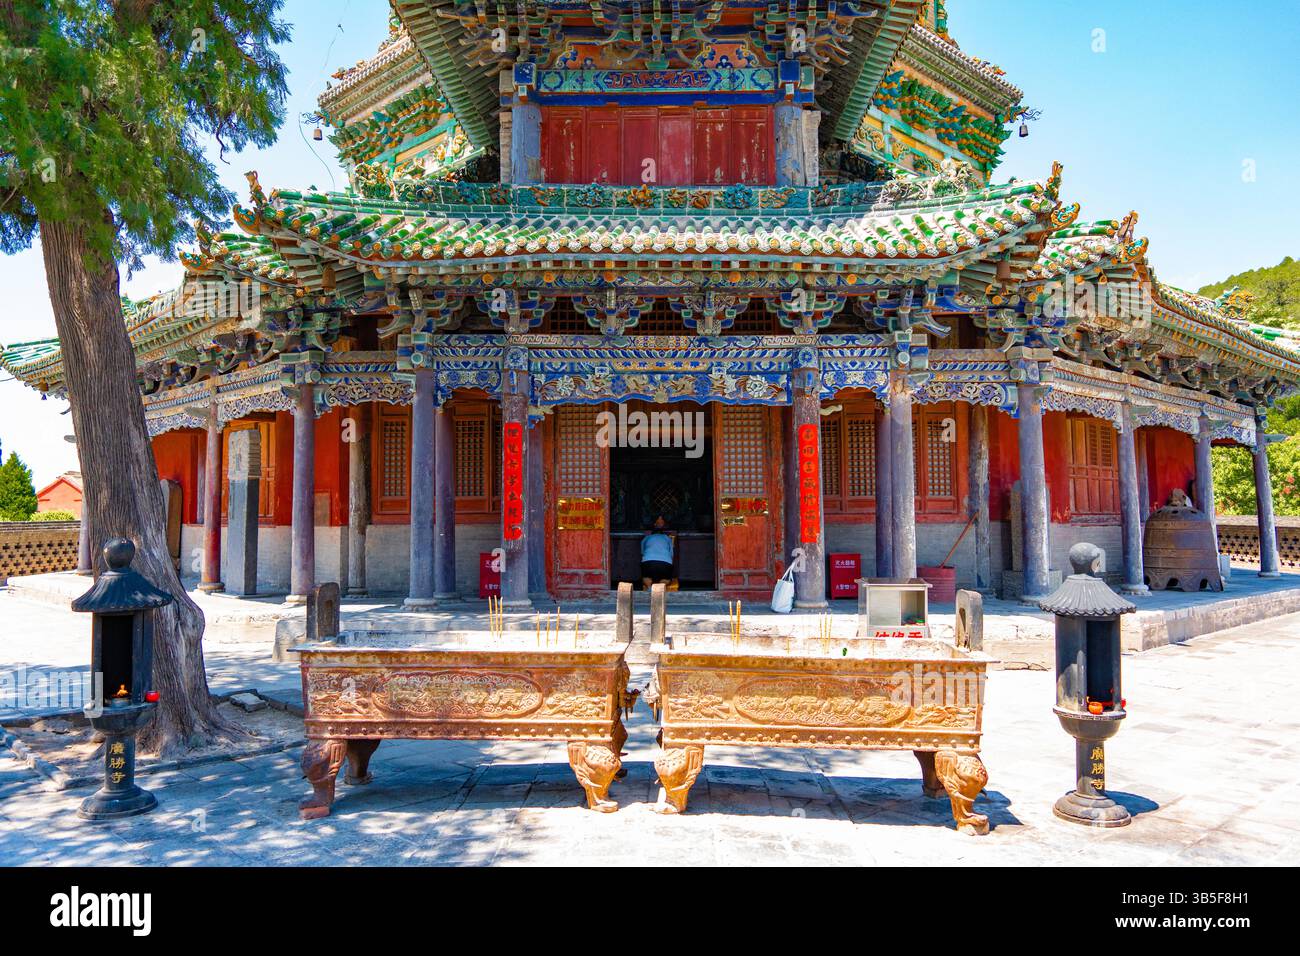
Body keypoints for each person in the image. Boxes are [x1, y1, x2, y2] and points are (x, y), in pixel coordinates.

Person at [640, 516, 674, 585]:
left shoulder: (646, 538)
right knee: (666, 579)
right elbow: (671, 555)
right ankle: (661, 587)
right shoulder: (667, 538)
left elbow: (642, 553)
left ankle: (649, 588)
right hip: (665, 563)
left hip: (648, 562)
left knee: (646, 577)